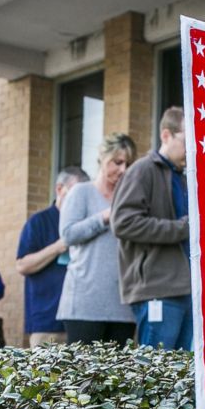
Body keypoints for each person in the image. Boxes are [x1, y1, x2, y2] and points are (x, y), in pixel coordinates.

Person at [112, 107, 192, 350]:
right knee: (156, 374)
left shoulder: (185, 176)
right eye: (187, 141)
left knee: (179, 375)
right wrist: (182, 228)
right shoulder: (142, 170)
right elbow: (123, 222)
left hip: (186, 289)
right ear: (166, 135)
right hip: (156, 290)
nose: (193, 148)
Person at [57, 133, 138, 345]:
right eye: (117, 162)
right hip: (84, 304)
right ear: (102, 158)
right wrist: (103, 217)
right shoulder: (81, 192)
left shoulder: (131, 197)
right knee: (82, 377)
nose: (123, 170)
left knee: (118, 377)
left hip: (123, 306)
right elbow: (67, 235)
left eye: (128, 164)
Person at [16, 166, 89, 347]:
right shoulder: (38, 222)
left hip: (84, 318)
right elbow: (22, 265)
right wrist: (58, 246)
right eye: (75, 192)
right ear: (59, 189)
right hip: (48, 322)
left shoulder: (88, 223)